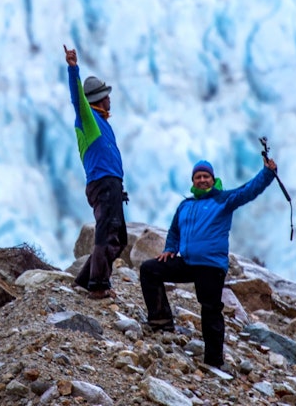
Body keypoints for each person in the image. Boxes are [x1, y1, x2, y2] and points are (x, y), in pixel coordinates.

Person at [139, 156, 277, 368]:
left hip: (211, 266)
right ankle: (160, 321)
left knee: (210, 309)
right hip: (187, 262)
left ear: (213, 179)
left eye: (206, 176)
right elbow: (174, 230)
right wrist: (169, 249)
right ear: (193, 181)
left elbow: (248, 190)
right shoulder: (185, 205)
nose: (202, 180)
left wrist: (267, 174)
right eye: (198, 177)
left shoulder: (223, 199)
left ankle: (213, 361)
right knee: (150, 269)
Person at [63, 45, 127, 300]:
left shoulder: (103, 124)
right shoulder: (88, 119)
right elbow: (77, 98)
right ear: (98, 99)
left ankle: (84, 280)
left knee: (118, 236)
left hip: (111, 184)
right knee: (106, 231)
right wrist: (73, 69)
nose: (110, 98)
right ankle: (98, 284)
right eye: (106, 95)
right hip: (103, 182)